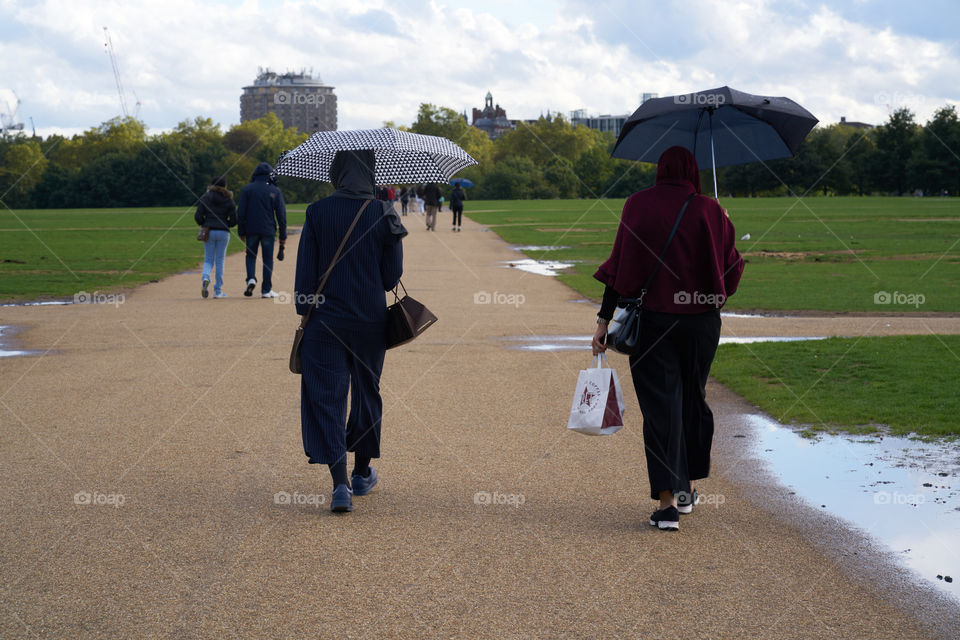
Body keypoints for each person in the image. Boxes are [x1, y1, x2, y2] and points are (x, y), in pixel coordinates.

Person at [591, 146, 744, 532]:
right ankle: (688, 488)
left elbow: (619, 269)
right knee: (693, 399)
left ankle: (666, 505)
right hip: (702, 323)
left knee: (661, 409)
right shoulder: (711, 210)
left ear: (660, 169)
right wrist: (722, 224)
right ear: (693, 170)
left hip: (654, 322)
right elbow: (732, 272)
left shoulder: (637, 205)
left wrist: (603, 321)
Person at [295, 149, 406, 513]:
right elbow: (391, 278)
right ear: (371, 172)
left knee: (328, 396)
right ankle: (361, 473)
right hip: (369, 321)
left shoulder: (317, 211)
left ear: (336, 172)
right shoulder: (384, 211)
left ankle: (339, 484)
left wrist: (304, 311)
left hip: (325, 321)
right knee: (366, 392)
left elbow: (305, 275)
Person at [238, 162, 287, 298]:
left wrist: (241, 231)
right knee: (267, 259)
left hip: (251, 229)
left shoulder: (247, 189)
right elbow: (281, 215)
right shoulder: (275, 191)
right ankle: (266, 289)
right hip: (268, 230)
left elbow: (241, 212)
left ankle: (251, 279)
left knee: (251, 256)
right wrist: (283, 234)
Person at [194, 175, 236, 298]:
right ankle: (218, 291)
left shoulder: (206, 197)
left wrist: (205, 223)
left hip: (209, 231)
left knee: (208, 259)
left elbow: (197, 216)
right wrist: (226, 224)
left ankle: (206, 277)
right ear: (225, 186)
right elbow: (234, 220)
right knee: (220, 260)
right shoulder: (229, 199)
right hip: (223, 231)